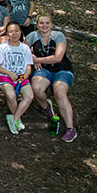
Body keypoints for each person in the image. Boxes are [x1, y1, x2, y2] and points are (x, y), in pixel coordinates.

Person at [26, 14, 77, 142]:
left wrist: (38, 59)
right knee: (36, 88)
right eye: (41, 23)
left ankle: (70, 128)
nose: (44, 25)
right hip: (43, 70)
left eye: (47, 23)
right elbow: (23, 48)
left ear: (51, 24)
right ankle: (46, 108)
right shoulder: (33, 36)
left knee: (59, 92)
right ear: (37, 24)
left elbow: (58, 57)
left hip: (62, 69)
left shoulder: (58, 36)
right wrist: (32, 56)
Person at [0, 22, 34, 135]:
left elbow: (28, 66)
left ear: (21, 32)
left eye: (17, 31)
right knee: (11, 95)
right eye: (11, 31)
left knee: (29, 96)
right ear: (7, 34)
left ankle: (14, 118)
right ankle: (17, 119)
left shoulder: (25, 48)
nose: (14, 34)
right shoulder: (2, 48)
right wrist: (9, 73)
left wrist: (23, 77)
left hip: (21, 76)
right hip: (5, 76)